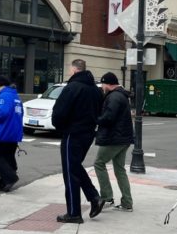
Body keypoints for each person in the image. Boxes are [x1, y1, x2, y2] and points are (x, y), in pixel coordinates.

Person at [52, 59, 105, 224]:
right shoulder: (95, 90)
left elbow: (59, 112)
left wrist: (60, 126)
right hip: (88, 133)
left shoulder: (72, 87)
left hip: (72, 134)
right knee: (74, 166)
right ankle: (94, 197)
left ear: (74, 70)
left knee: (70, 172)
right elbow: (100, 110)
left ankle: (74, 212)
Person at [93, 72, 134, 212]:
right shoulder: (120, 95)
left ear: (109, 84)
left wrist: (95, 120)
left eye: (103, 84)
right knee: (119, 169)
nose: (102, 87)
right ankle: (127, 202)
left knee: (99, 163)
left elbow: (109, 118)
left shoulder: (114, 97)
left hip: (114, 138)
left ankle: (106, 197)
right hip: (123, 138)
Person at [0, 75, 23, 192]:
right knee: (7, 157)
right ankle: (3, 183)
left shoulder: (4, 96)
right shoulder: (15, 97)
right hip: (12, 134)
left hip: (2, 133)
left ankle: (11, 177)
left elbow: (0, 114)